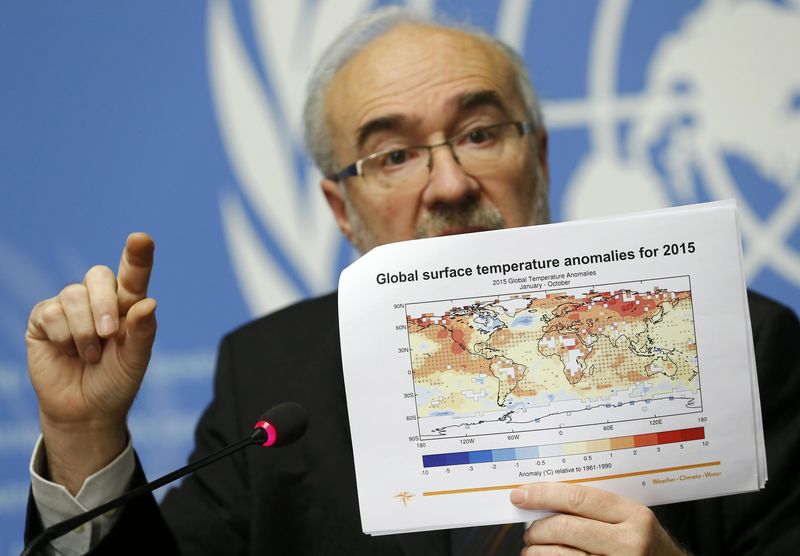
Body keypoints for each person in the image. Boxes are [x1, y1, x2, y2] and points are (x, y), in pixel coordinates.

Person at [23, 7, 800, 555]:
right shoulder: (268, 375)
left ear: (541, 155)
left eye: (480, 133)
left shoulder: (740, 338)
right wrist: (83, 434)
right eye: (393, 155)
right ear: (340, 206)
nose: (450, 183)